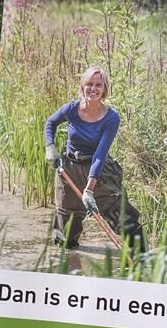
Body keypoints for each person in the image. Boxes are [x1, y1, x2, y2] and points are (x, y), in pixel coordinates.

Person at [44, 65, 145, 251]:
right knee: (66, 226)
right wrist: (50, 147)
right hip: (70, 169)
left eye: (98, 85)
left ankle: (141, 255)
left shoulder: (111, 118)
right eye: (89, 84)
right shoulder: (72, 109)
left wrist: (89, 190)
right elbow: (50, 122)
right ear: (82, 86)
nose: (93, 88)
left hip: (99, 170)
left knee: (119, 213)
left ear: (104, 89)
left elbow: (101, 153)